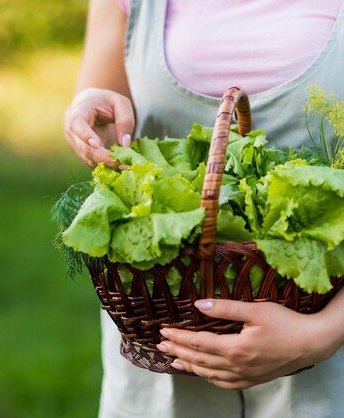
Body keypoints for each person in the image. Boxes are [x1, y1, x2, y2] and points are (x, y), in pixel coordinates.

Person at [63, 1, 344, 417]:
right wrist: (88, 113)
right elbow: (104, 119)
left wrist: (321, 335)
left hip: (328, 346)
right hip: (162, 328)